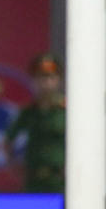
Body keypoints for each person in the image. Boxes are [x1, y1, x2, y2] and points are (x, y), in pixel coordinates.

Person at [4, 53, 65, 192]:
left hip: (60, 180)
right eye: (41, 78)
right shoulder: (29, 111)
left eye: (50, 77)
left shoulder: (67, 111)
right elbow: (8, 139)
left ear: (59, 80)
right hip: (33, 179)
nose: (46, 83)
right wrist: (14, 166)